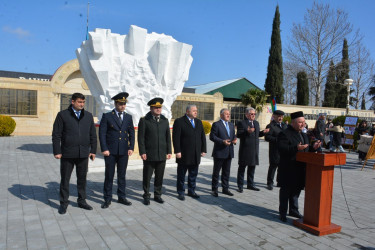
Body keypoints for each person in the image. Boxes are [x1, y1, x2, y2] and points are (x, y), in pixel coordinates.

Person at [52, 93, 97, 215]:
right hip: (67, 153)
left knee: (82, 179)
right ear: (72, 102)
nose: (81, 104)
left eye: (83, 102)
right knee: (65, 179)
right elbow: (56, 134)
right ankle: (63, 203)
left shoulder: (88, 116)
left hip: (83, 154)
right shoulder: (62, 115)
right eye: (79, 102)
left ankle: (82, 201)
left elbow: (93, 134)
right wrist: (57, 151)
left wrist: (93, 150)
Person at [277, 111, 321, 222]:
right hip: (288, 168)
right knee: (285, 192)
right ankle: (282, 212)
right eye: (300, 122)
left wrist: (313, 147)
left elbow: (305, 149)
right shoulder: (285, 133)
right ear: (293, 123)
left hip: (300, 169)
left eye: (304, 122)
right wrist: (296, 148)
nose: (303, 124)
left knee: (296, 192)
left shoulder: (304, 134)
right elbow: (282, 150)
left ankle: (293, 210)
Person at [99, 92, 135, 209]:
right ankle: (107, 198)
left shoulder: (128, 117)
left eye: (124, 104)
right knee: (109, 175)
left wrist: (131, 147)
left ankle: (121, 197)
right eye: (120, 104)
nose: (123, 106)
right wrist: (104, 148)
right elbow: (102, 134)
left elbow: (131, 133)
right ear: (115, 104)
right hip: (111, 151)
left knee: (122, 175)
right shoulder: (107, 116)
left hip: (123, 151)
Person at [138, 97, 172, 205]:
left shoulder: (164, 120)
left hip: (161, 154)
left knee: (159, 176)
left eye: (159, 107)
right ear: (151, 108)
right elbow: (141, 138)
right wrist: (142, 152)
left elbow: (168, 137)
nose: (158, 109)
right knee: (147, 176)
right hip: (149, 154)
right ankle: (146, 195)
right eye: (156, 107)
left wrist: (169, 151)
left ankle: (157, 195)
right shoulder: (144, 120)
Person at [172, 104, 207, 201]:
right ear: (187, 111)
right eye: (194, 110)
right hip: (184, 154)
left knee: (193, 174)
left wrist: (203, 149)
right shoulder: (179, 121)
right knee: (181, 175)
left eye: (196, 110)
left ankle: (191, 191)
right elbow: (176, 138)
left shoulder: (198, 122)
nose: (196, 112)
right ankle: (181, 192)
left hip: (195, 154)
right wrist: (177, 151)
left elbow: (202, 137)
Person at [236, 107, 269, 192]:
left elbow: (257, 134)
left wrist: (263, 132)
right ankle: (240, 186)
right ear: (246, 114)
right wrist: (247, 132)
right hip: (245, 149)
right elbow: (238, 134)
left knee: (252, 168)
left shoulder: (256, 123)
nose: (253, 115)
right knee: (242, 168)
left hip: (254, 149)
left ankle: (250, 184)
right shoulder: (242, 123)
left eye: (254, 114)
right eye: (251, 114)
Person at [209, 108, 237, 197]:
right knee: (216, 172)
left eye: (229, 114)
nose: (228, 115)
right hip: (219, 152)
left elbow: (233, 135)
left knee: (226, 172)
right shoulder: (216, 124)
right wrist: (222, 141)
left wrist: (235, 139)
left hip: (229, 152)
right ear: (221, 115)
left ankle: (225, 189)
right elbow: (212, 136)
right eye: (226, 114)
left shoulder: (231, 125)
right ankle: (214, 189)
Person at [264, 110, 287, 190]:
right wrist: (278, 139)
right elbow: (267, 137)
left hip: (284, 150)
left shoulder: (285, 125)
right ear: (274, 116)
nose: (280, 118)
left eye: (281, 116)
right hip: (275, 150)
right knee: (273, 166)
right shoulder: (270, 126)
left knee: (282, 166)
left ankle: (279, 181)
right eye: (278, 116)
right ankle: (270, 183)